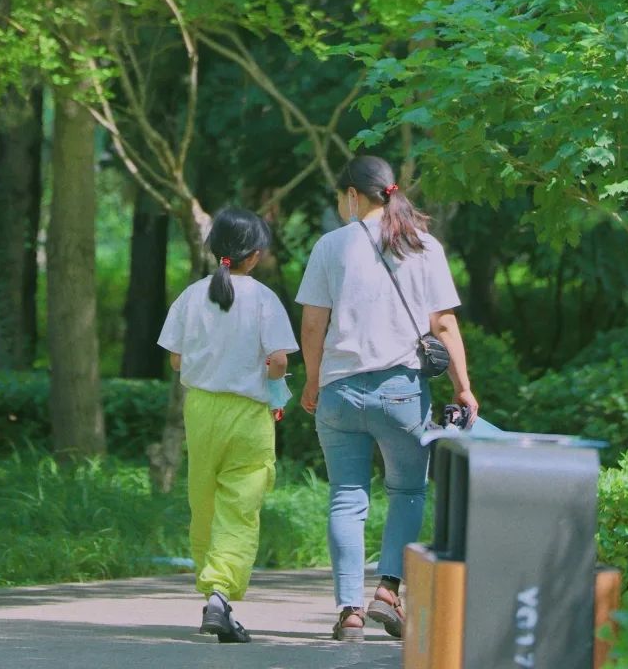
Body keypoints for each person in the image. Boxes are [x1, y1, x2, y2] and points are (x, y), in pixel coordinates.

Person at [296, 154, 477, 645]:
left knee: (347, 497)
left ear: (353, 195)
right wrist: (463, 386)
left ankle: (349, 610)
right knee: (408, 492)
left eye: (339, 199)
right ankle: (388, 591)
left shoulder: (330, 246)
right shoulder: (423, 244)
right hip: (401, 392)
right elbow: (443, 324)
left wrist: (312, 380)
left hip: (339, 392)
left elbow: (313, 324)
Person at [158, 208, 298, 644]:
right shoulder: (263, 299)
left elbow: (176, 359)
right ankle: (220, 594)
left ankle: (209, 582)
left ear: (214, 248)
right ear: (254, 255)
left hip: (200, 410)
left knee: (204, 501)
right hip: (248, 414)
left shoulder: (191, 295)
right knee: (240, 506)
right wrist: (274, 388)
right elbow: (278, 360)